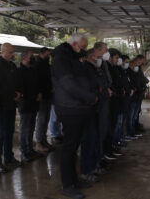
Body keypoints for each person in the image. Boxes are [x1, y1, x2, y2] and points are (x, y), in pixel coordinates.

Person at [51, 33, 97, 199]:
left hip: (79, 107)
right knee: (69, 148)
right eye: (83, 47)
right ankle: (67, 184)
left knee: (74, 147)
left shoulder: (73, 58)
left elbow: (84, 80)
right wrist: (89, 97)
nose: (85, 50)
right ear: (75, 45)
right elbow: (69, 85)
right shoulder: (61, 59)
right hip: (69, 109)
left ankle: (74, 180)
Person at [0, 43, 22, 173]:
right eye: (11, 52)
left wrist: (18, 93)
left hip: (12, 104)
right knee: (0, 133)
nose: (13, 54)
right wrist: (10, 95)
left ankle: (9, 157)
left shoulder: (12, 65)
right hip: (2, 105)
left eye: (13, 52)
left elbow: (16, 81)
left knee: (10, 132)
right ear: (3, 51)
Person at [80, 49, 102, 184]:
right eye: (98, 56)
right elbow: (90, 87)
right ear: (91, 57)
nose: (99, 58)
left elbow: (99, 85)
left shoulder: (93, 68)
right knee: (87, 141)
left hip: (94, 108)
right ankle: (86, 171)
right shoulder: (85, 69)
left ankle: (92, 167)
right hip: (87, 108)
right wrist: (93, 96)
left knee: (93, 139)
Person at [18, 51, 43, 162]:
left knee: (31, 127)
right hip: (25, 103)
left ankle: (30, 149)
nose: (33, 58)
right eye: (30, 57)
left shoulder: (33, 70)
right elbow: (20, 88)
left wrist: (39, 93)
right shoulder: (19, 71)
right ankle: (24, 151)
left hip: (34, 103)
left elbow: (37, 84)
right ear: (24, 58)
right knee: (24, 128)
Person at [34, 47, 54, 154]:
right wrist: (39, 92)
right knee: (41, 119)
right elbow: (37, 80)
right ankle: (38, 142)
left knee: (46, 119)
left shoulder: (46, 65)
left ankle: (43, 139)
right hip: (42, 95)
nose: (48, 57)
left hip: (48, 94)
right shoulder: (37, 65)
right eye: (47, 55)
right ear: (41, 53)